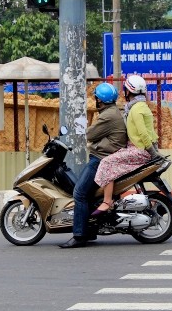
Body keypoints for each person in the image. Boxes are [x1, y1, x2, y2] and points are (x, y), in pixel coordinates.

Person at [59, 83, 128, 249]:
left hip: (101, 158)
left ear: (101, 100)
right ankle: (89, 229)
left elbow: (90, 134)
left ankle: (79, 235)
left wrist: (83, 128)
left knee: (80, 192)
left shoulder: (108, 116)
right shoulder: (111, 112)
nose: (95, 100)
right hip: (104, 156)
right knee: (87, 193)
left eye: (96, 98)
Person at [92, 75, 163, 215]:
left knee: (106, 162)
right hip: (139, 148)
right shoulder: (140, 106)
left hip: (140, 150)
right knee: (111, 160)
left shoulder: (136, 109)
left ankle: (107, 201)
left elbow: (143, 134)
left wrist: (153, 153)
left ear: (128, 92)